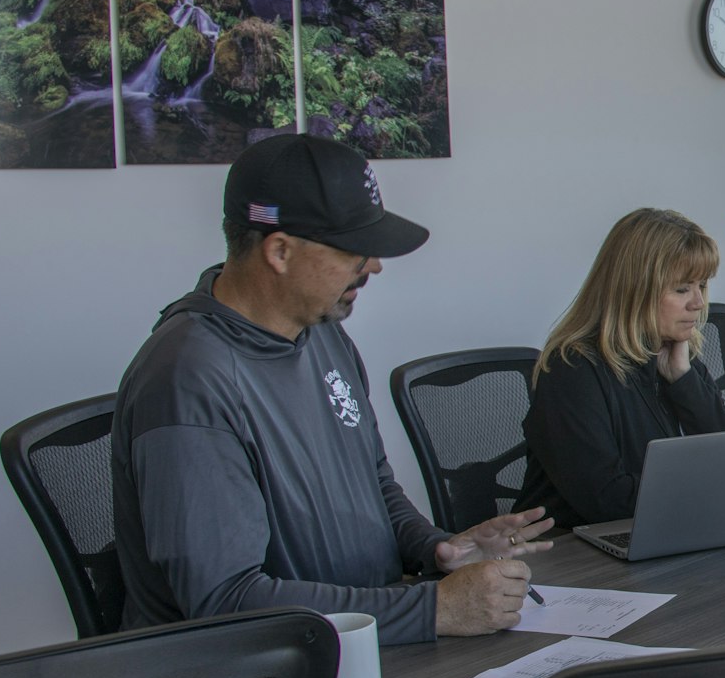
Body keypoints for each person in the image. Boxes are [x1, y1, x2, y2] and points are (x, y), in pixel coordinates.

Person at [115, 133, 552, 645]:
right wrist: (432, 608)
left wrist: (437, 551)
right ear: (280, 250)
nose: (374, 266)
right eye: (355, 250)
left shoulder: (321, 332)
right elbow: (225, 602)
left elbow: (373, 479)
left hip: (358, 646)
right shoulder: (187, 378)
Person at [516, 207, 725, 530]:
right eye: (682, 289)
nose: (698, 303)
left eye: (702, 286)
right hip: (570, 557)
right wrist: (711, 491)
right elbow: (606, 499)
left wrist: (684, 382)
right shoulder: (572, 370)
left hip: (657, 537)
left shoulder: (675, 357)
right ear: (634, 290)